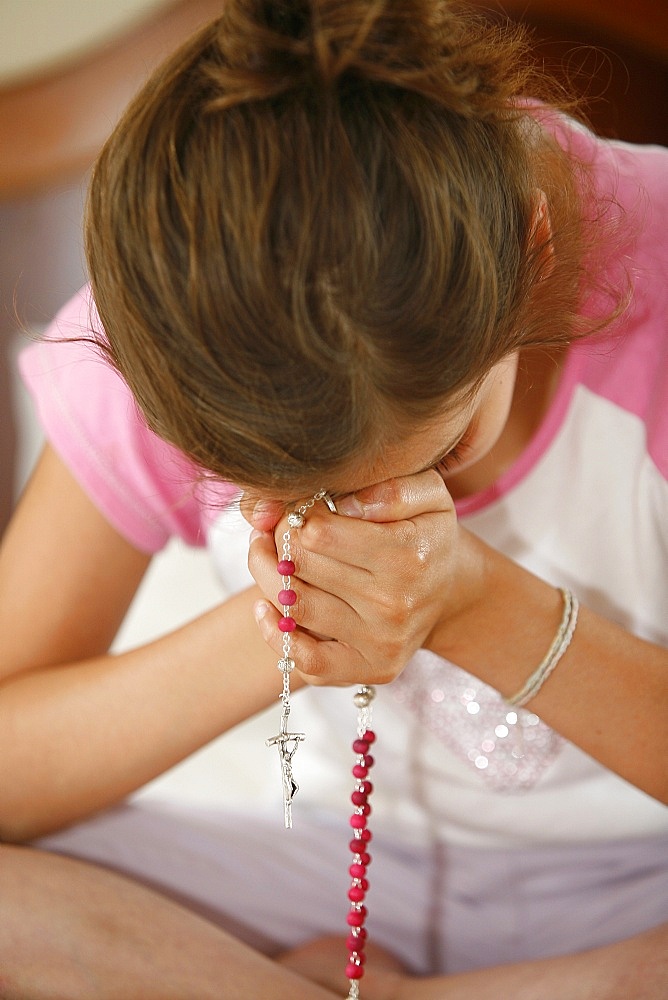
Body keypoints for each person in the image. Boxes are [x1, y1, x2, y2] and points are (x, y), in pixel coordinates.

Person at [0, 0, 666, 996]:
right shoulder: (172, 334)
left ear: (527, 257)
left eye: (434, 455)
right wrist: (282, 621)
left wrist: (482, 608)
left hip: (634, 877)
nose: (358, 521)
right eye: (271, 496)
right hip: (291, 857)